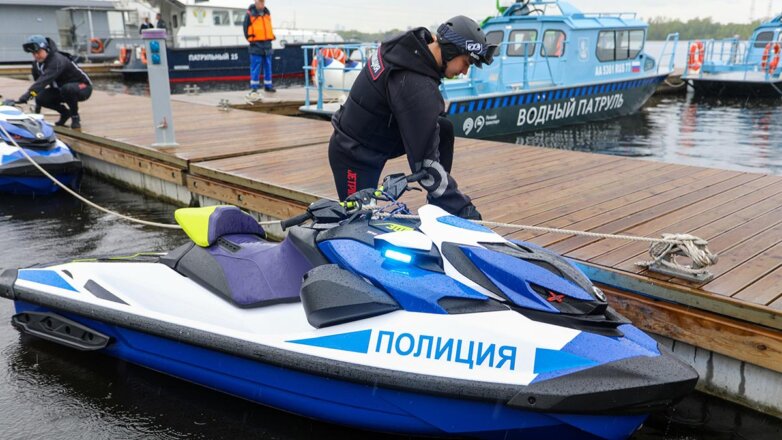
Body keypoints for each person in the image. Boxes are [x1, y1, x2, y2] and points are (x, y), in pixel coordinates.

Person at [328, 16, 496, 219]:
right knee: (358, 223)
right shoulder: (414, 85)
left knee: (443, 128)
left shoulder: (411, 48)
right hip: (353, 154)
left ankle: (438, 203)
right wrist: (461, 207)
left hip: (379, 134)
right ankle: (444, 201)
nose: (465, 71)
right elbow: (425, 165)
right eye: (466, 62)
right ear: (451, 50)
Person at [6, 35, 92, 129]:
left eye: (38, 52)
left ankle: (75, 117)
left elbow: (44, 81)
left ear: (46, 49)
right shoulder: (37, 64)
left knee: (68, 89)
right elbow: (38, 85)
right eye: (33, 53)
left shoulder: (57, 60)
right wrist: (36, 110)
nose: (36, 55)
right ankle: (65, 113)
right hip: (61, 89)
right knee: (40, 97)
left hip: (83, 87)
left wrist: (26, 96)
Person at [243, 0, 276, 93]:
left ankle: (268, 85)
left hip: (267, 44)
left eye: (263, 2)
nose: (262, 4)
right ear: (256, 3)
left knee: (268, 65)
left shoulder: (267, 13)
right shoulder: (250, 14)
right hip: (256, 45)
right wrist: (251, 41)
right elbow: (245, 28)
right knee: (256, 66)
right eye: (260, 2)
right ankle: (254, 87)